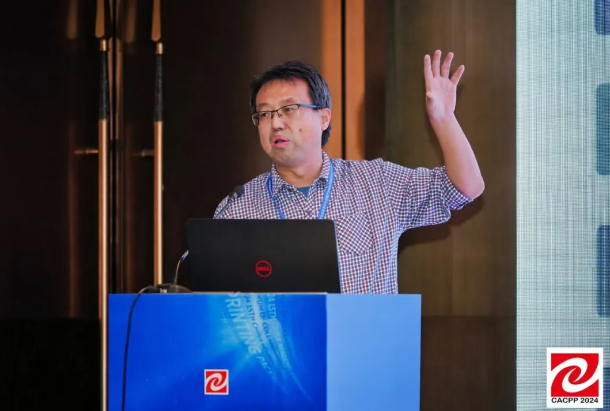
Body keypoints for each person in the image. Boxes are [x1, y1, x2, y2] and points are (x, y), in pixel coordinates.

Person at [214, 51, 484, 294]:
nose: (275, 123)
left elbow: (464, 188)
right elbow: (219, 308)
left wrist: (443, 119)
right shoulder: (237, 209)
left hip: (365, 336)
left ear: (323, 117)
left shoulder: (377, 182)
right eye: (264, 114)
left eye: (288, 109)